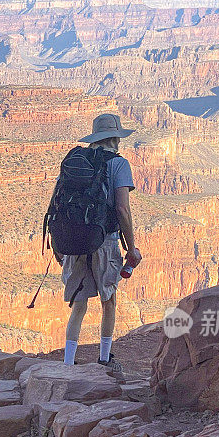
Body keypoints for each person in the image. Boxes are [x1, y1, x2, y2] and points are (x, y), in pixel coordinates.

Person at [61, 113, 142, 373]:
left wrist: (59, 245)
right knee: (109, 301)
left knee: (79, 304)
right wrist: (131, 248)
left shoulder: (77, 162)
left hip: (74, 240)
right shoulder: (118, 164)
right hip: (104, 240)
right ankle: (104, 359)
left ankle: (67, 363)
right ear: (116, 138)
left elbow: (59, 204)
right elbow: (122, 209)